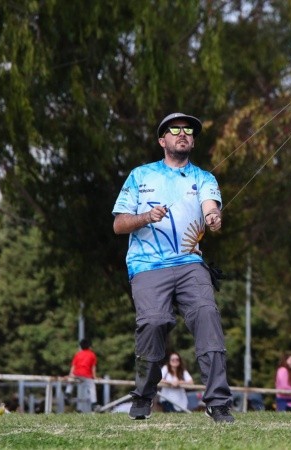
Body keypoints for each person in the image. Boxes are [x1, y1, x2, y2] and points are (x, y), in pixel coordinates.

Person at [112, 112, 234, 423]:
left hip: (191, 263)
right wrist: (146, 217)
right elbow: (119, 224)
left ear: (192, 140)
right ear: (162, 140)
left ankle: (218, 403)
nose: (182, 133)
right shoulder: (140, 176)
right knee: (153, 323)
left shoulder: (204, 178)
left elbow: (211, 207)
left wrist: (213, 218)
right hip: (148, 266)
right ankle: (142, 397)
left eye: (188, 130)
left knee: (207, 314)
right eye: (174, 129)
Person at [65, 339, 98, 411]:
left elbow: (73, 366)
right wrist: (94, 377)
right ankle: (94, 404)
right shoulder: (92, 355)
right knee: (92, 387)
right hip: (86, 375)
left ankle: (67, 393)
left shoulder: (78, 354)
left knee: (70, 382)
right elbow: (93, 367)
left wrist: (70, 375)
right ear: (89, 347)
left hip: (76, 373)